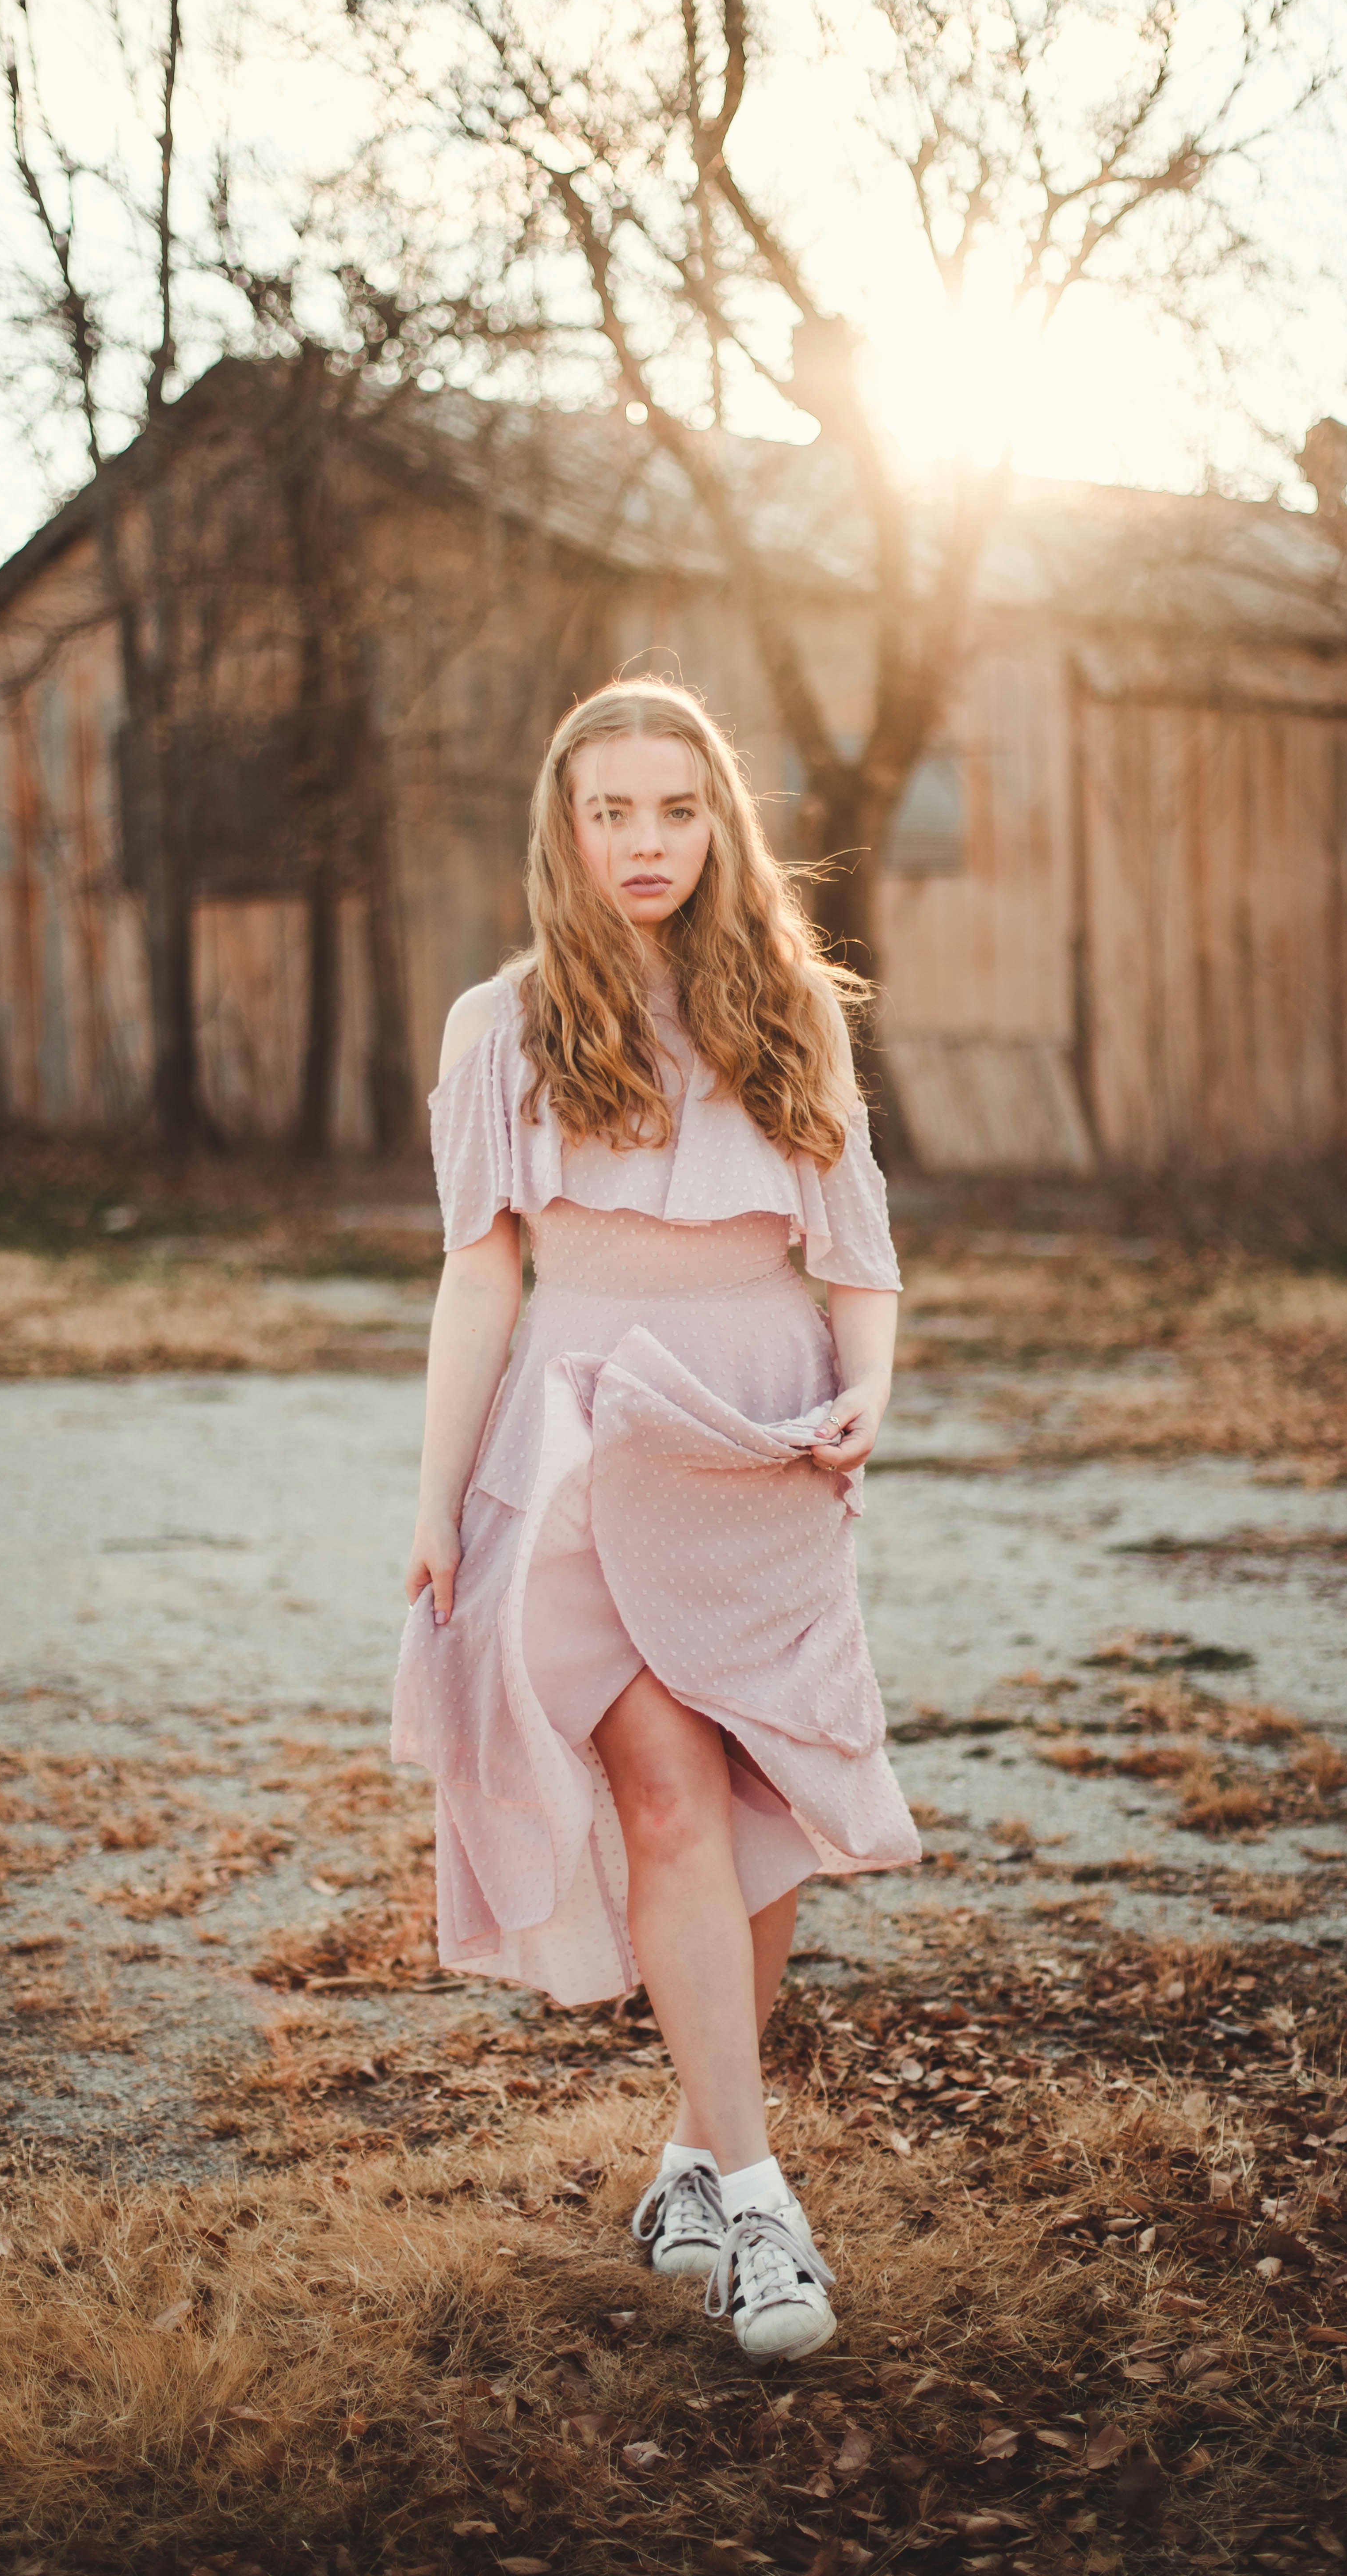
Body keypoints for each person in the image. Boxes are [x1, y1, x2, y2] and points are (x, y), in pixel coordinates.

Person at [393, 678, 919, 2362]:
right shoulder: (505, 1024)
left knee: (756, 1809)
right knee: (673, 1799)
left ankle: (692, 2155)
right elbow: (481, 1281)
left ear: (720, 821)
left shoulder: (791, 1009)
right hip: (581, 1443)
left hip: (762, 1440)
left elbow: (856, 1251)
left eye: (676, 810)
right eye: (610, 811)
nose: (644, 843)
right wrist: (435, 1510)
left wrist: (869, 1399)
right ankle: (768, 2210)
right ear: (563, 824)